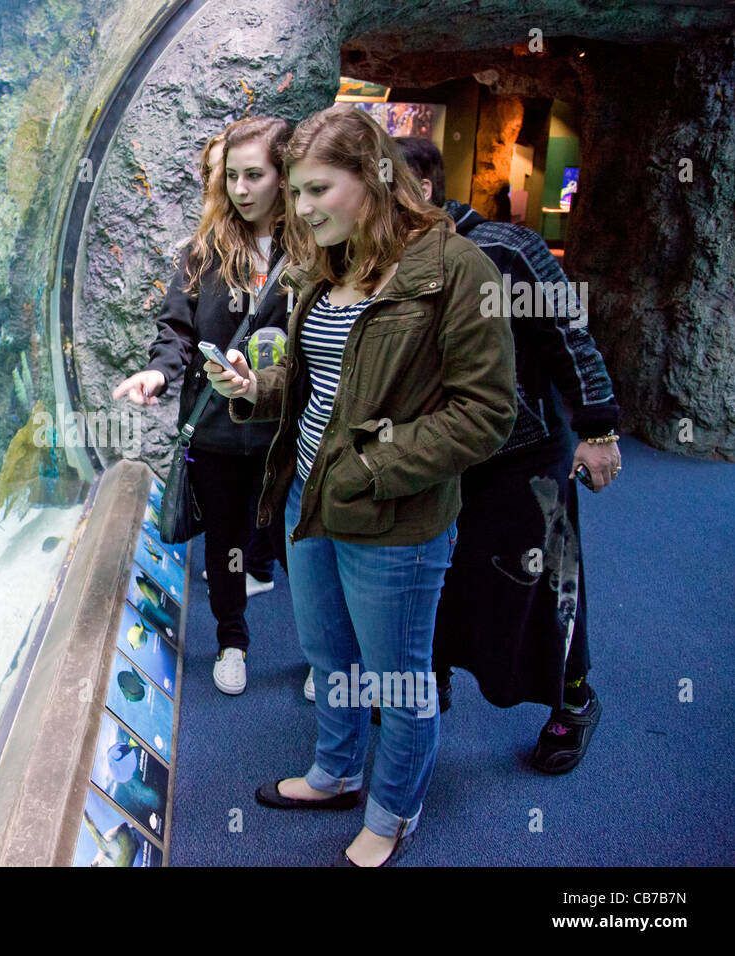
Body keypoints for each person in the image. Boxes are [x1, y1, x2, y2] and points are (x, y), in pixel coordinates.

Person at [207, 104, 516, 865]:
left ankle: (391, 814)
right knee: (327, 656)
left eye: (318, 191)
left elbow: (487, 413)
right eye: (298, 194)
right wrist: (256, 387)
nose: (303, 210)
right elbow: (321, 389)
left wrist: (373, 468)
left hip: (395, 521)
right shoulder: (332, 263)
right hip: (312, 502)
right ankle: (337, 773)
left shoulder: (456, 269)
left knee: (399, 681)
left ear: (376, 179)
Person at [397, 136, 621, 773]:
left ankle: (574, 701)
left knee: (545, 582)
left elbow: (569, 338)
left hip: (524, 458)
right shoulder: (385, 260)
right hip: (439, 461)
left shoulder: (507, 248)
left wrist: (599, 429)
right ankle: (429, 685)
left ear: (419, 187)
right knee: (436, 579)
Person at [113, 117, 296, 696]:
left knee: (304, 542)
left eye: (255, 175)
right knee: (228, 543)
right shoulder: (207, 249)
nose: (241, 189)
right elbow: (177, 329)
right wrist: (158, 373)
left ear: (283, 174)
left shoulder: (316, 248)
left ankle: (325, 656)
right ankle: (232, 641)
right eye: (233, 177)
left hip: (292, 430)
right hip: (219, 430)